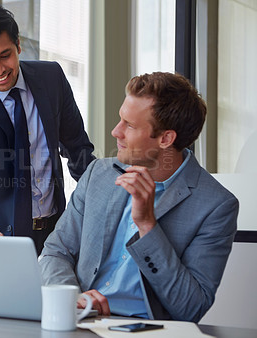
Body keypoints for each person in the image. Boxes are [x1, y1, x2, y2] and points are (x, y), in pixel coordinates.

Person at [39, 72, 238, 322]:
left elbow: (191, 308)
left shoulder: (216, 206)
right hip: (80, 321)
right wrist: (71, 297)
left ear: (166, 138)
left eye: (129, 125)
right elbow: (55, 252)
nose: (115, 132)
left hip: (147, 329)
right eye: (120, 119)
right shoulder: (98, 175)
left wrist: (147, 225)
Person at [0, 4, 95, 255]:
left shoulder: (51, 78)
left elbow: (78, 149)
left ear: (18, 46)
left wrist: (103, 201)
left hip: (56, 234)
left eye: (5, 55)